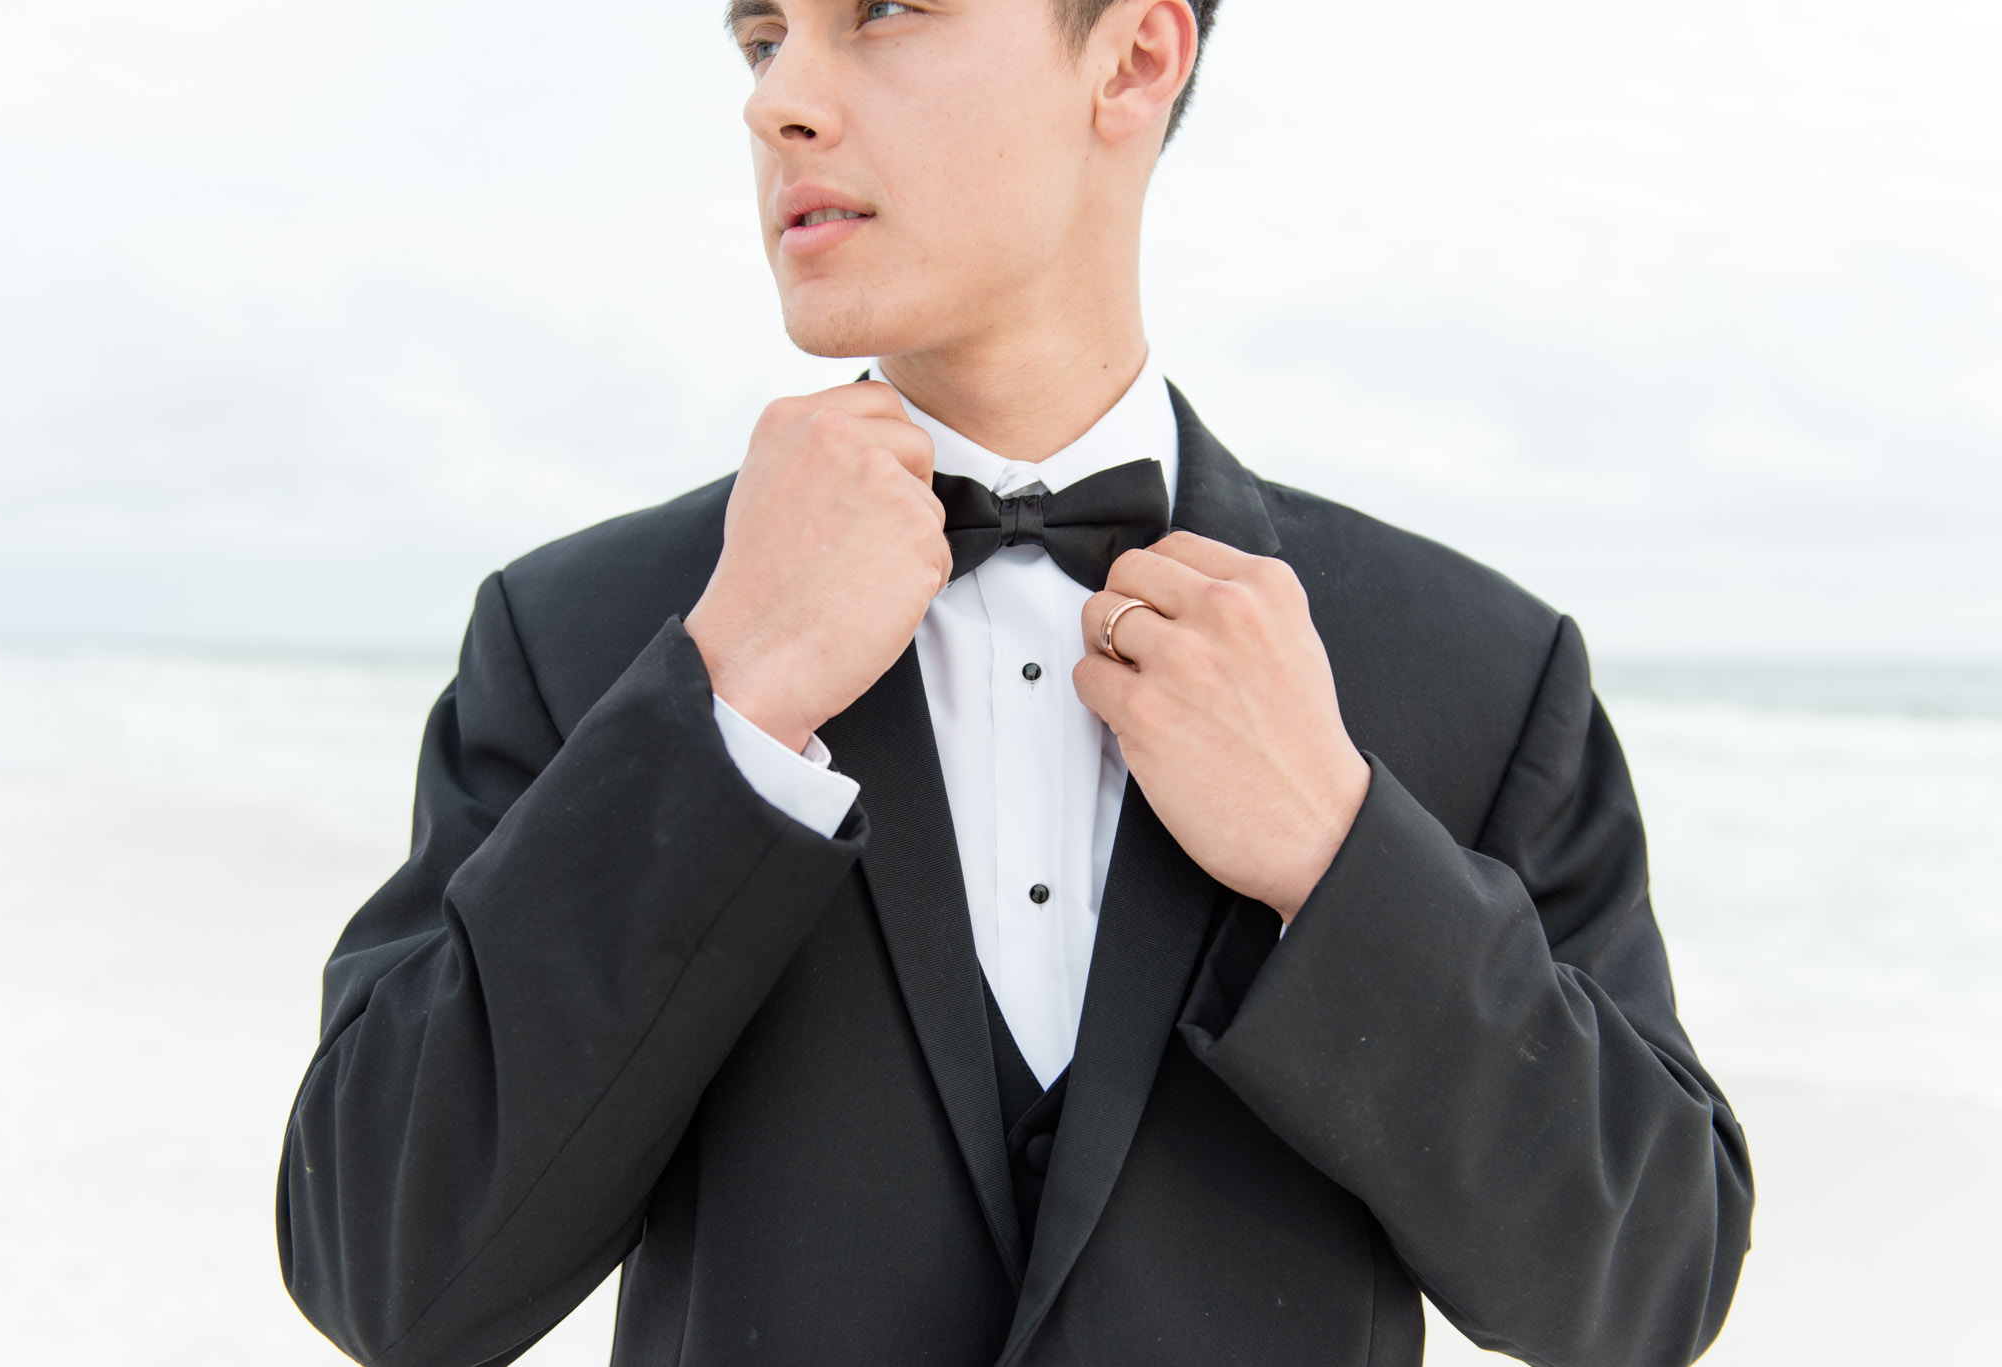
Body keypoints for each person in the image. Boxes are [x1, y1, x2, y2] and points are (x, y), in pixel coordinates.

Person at [276, 2, 1753, 1364]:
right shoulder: (587, 634)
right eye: (762, 35)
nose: (778, 100)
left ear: (1133, 56)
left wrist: (1337, 854)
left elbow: (1645, 1286)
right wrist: (728, 706)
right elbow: (383, 1270)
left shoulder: (1476, 668)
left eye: (885, 11)